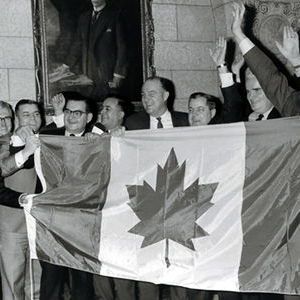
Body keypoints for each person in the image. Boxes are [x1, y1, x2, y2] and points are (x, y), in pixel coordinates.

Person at [125, 76, 189, 300]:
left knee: (180, 264)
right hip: (147, 205)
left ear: (165, 96)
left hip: (181, 204)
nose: (145, 99)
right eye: (143, 95)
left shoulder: (186, 121)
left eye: (151, 94)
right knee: (148, 265)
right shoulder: (133, 124)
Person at [40, 97, 96, 300]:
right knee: (51, 281)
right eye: (68, 111)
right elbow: (24, 158)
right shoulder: (47, 136)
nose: (71, 116)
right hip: (51, 223)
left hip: (82, 225)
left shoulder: (98, 141)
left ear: (88, 117)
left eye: (77, 112)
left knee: (82, 282)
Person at [92, 96, 135, 300]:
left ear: (121, 114)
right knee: (99, 272)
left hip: (123, 215)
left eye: (108, 109)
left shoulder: (135, 137)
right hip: (97, 213)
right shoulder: (93, 136)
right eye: (102, 108)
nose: (103, 112)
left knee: (122, 274)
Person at [0, 100, 42, 300]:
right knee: (12, 285)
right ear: (19, 119)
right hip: (11, 228)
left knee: (36, 284)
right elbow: (4, 167)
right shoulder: (8, 144)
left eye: (6, 118)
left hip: (37, 226)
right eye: (26, 115)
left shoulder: (43, 138)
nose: (3, 123)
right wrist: (24, 151)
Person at [232, 2, 300, 117]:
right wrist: (238, 35)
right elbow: (266, 75)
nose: (251, 96)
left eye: (257, 90)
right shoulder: (293, 105)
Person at [209, 36, 281, 122]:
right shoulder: (249, 118)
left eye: (257, 90)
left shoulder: (286, 116)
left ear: (273, 90)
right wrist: (222, 66)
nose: (251, 96)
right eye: (248, 92)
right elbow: (234, 109)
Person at [68, 0, 128, 100]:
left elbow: (123, 48)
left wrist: (118, 75)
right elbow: (77, 44)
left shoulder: (115, 16)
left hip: (107, 75)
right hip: (86, 75)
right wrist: (67, 65)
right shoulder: (84, 17)